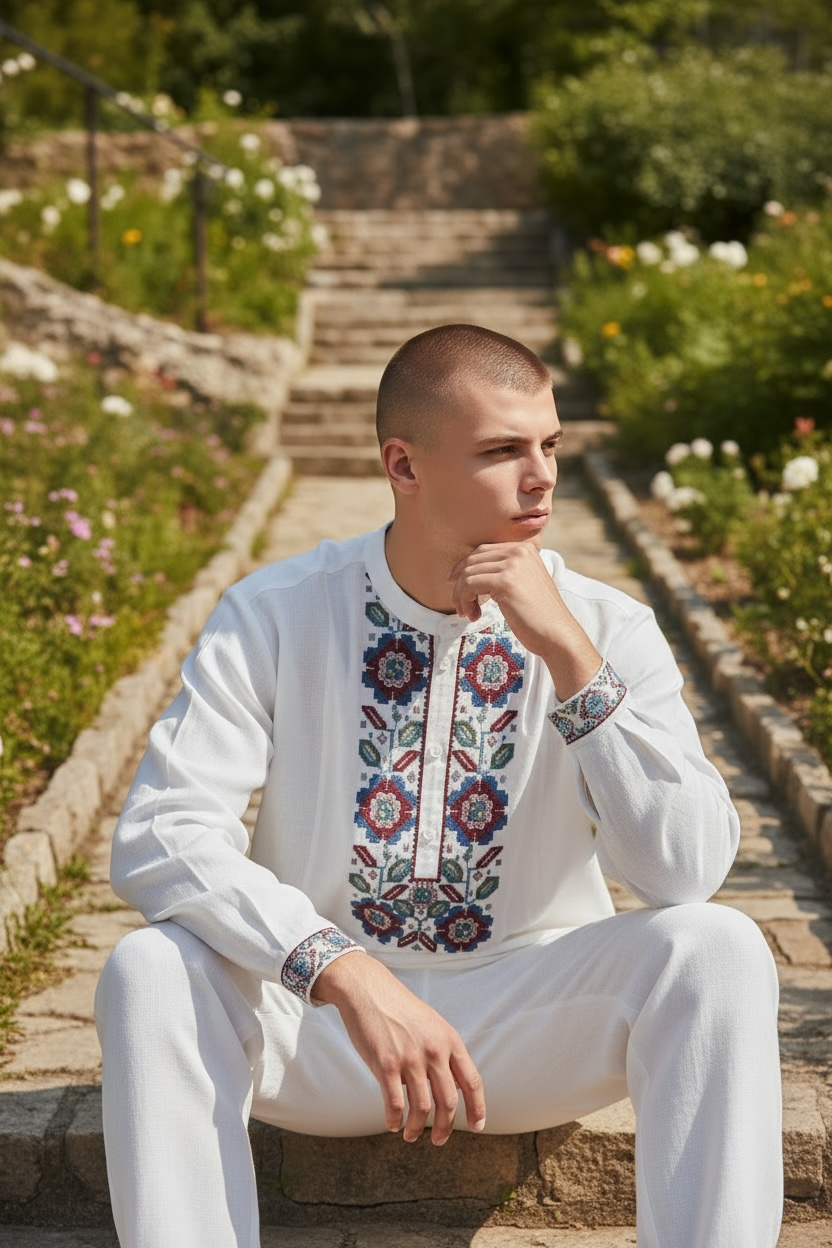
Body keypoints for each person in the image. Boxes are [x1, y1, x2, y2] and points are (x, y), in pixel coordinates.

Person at [95, 324, 783, 1248]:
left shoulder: (606, 628)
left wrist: (573, 663)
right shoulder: (278, 611)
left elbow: (684, 871)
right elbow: (162, 831)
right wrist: (344, 972)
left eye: (549, 445)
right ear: (403, 465)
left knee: (719, 946)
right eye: (502, 451)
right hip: (325, 1031)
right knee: (148, 969)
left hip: (527, 1030)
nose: (540, 475)